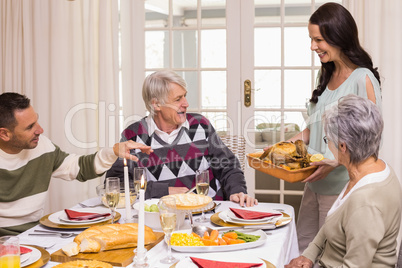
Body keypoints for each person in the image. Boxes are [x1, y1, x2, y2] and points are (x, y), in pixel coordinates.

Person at [262, 2, 382, 252]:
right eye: (311, 39)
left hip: (341, 186)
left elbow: (371, 140)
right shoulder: (326, 74)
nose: (313, 46)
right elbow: (312, 129)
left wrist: (334, 163)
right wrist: (283, 147)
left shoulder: (363, 78)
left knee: (329, 255)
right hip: (314, 181)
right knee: (303, 247)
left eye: (318, 40)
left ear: (338, 36)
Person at [0, 92, 153, 236]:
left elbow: (77, 167)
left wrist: (113, 151)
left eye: (36, 121)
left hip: (35, 232)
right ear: (4, 134)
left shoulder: (42, 146)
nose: (40, 129)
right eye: (29, 127)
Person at [106, 70, 257, 207]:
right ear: (156, 104)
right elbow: (115, 185)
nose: (186, 103)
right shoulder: (133, 135)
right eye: (178, 99)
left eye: (185, 96)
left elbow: (228, 165)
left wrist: (237, 190)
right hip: (162, 217)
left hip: (209, 214)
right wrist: (163, 191)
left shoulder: (200, 125)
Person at [285, 94, 401, 267]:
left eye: (327, 140)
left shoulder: (365, 203)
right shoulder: (374, 169)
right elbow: (335, 221)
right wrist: (309, 255)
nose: (327, 145)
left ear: (342, 146)